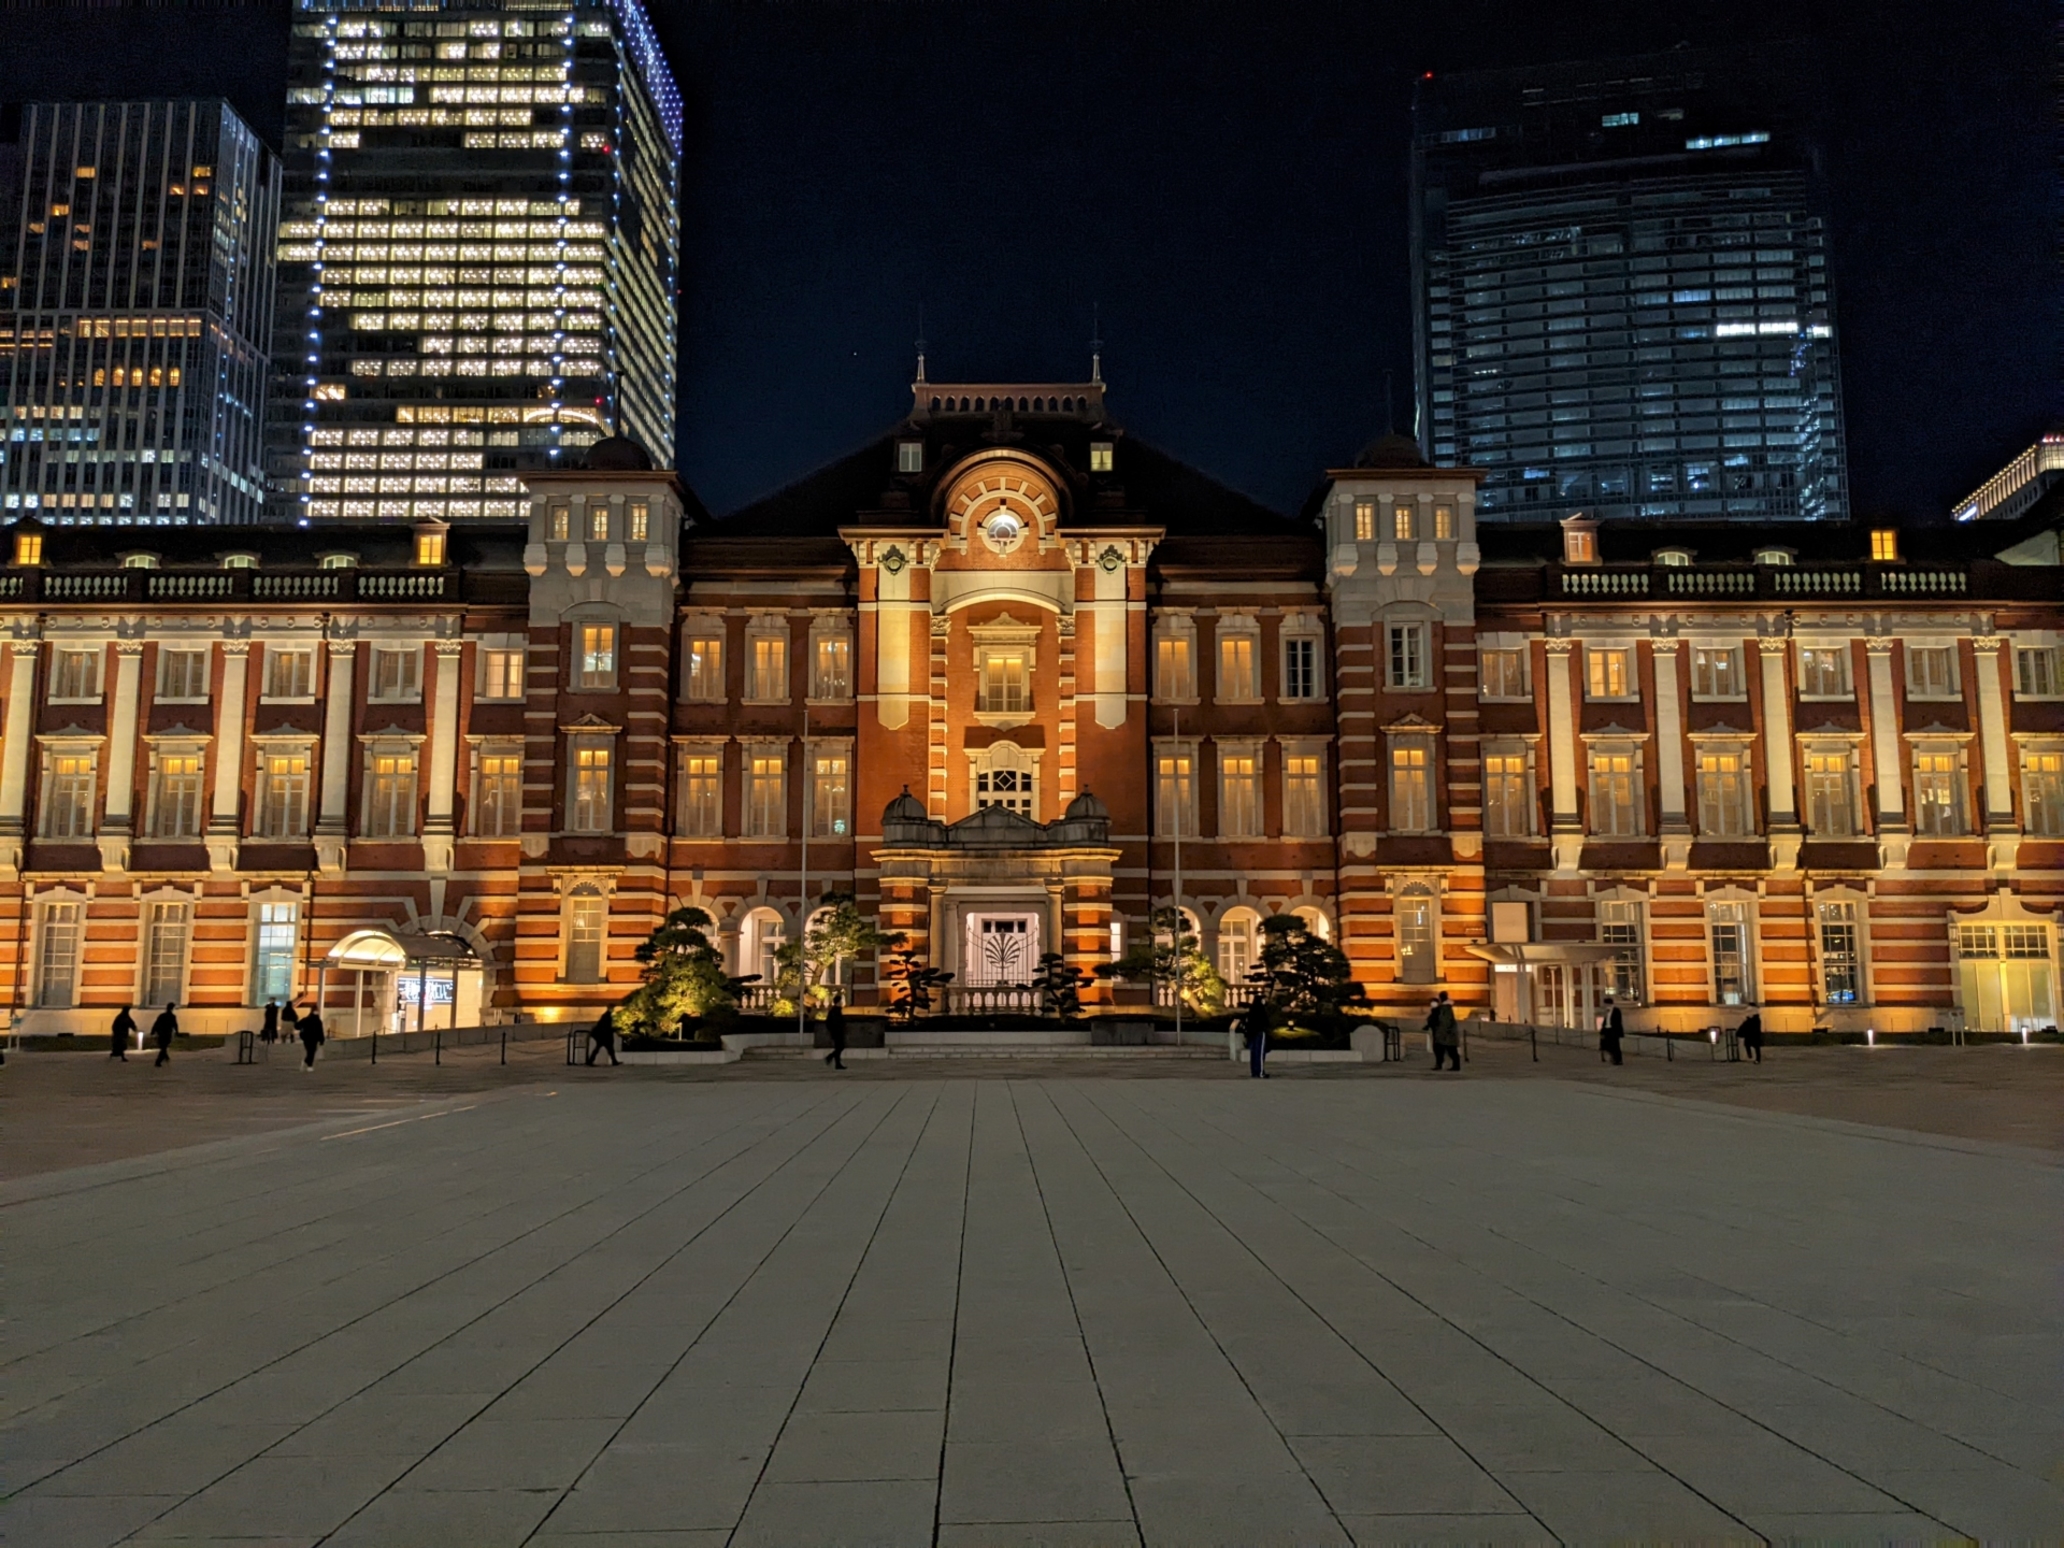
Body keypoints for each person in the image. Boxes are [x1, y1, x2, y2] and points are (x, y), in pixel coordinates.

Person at [1427, 991, 1461, 1072]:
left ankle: (1453, 1065)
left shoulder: (1444, 1008)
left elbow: (1445, 1021)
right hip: (1443, 1033)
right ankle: (1447, 1065)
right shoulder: (1443, 1008)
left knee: (1449, 1050)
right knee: (1443, 1050)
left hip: (1445, 1033)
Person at [1244, 997, 1273, 1079]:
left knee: (1254, 1053)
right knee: (1260, 1053)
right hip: (1259, 1033)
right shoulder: (1260, 1010)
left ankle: (1255, 1071)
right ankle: (1260, 1072)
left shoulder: (1252, 1010)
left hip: (1253, 1033)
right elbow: (1265, 1022)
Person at [822, 993, 848, 1070]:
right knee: (840, 1047)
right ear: (838, 1002)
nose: (842, 1003)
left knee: (839, 1047)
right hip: (837, 1032)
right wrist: (835, 1029)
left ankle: (837, 1063)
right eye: (840, 1001)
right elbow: (832, 1022)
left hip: (838, 1032)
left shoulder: (836, 1010)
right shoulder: (834, 1011)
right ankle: (830, 1057)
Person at [296, 1004, 325, 1070]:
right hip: (312, 1038)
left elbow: (297, 1025)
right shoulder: (317, 1021)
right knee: (311, 1052)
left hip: (307, 1038)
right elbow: (320, 1031)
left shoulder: (307, 1019)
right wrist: (322, 1040)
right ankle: (309, 1065)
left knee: (311, 1051)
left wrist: (301, 1029)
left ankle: (306, 1062)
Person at [1599, 995, 1624, 1066]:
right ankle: (1613, 1058)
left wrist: (1616, 1030)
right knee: (1608, 1045)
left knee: (1616, 1046)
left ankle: (1618, 1060)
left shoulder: (1616, 1010)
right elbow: (1605, 1021)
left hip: (1613, 1030)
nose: (1604, 1006)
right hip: (1607, 1030)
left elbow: (1618, 1021)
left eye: (1605, 1004)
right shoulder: (1607, 1011)